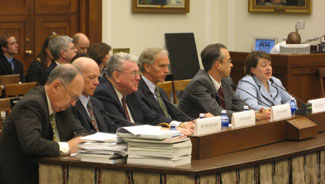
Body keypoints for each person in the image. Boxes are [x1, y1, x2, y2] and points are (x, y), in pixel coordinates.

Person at [0, 64, 88, 184]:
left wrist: (79, 141)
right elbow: (32, 144)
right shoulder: (31, 104)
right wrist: (67, 147)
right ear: (56, 86)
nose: (73, 104)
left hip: (53, 172)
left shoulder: (62, 105)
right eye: (73, 97)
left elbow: (80, 131)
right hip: (24, 176)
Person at [94, 52, 193, 135]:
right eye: (134, 73)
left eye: (138, 73)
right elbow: (122, 126)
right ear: (116, 76)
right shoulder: (103, 93)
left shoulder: (131, 92)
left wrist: (180, 125)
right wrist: (166, 130)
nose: (138, 78)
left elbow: (151, 117)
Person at [178, 43, 269, 120]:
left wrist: (256, 112)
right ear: (218, 64)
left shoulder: (226, 80)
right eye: (229, 61)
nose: (232, 65)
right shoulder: (199, 83)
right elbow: (217, 113)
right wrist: (252, 116)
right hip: (190, 133)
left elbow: (237, 103)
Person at [137, 47, 194, 129]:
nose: (167, 70)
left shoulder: (160, 90)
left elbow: (176, 115)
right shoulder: (137, 90)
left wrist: (195, 122)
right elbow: (152, 118)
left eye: (167, 66)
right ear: (147, 67)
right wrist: (181, 125)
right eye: (162, 66)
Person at [72, 57, 131, 133]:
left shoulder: (96, 103)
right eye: (91, 77)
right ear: (75, 77)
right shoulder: (70, 104)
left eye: (97, 78)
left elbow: (112, 127)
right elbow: (81, 133)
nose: (97, 82)